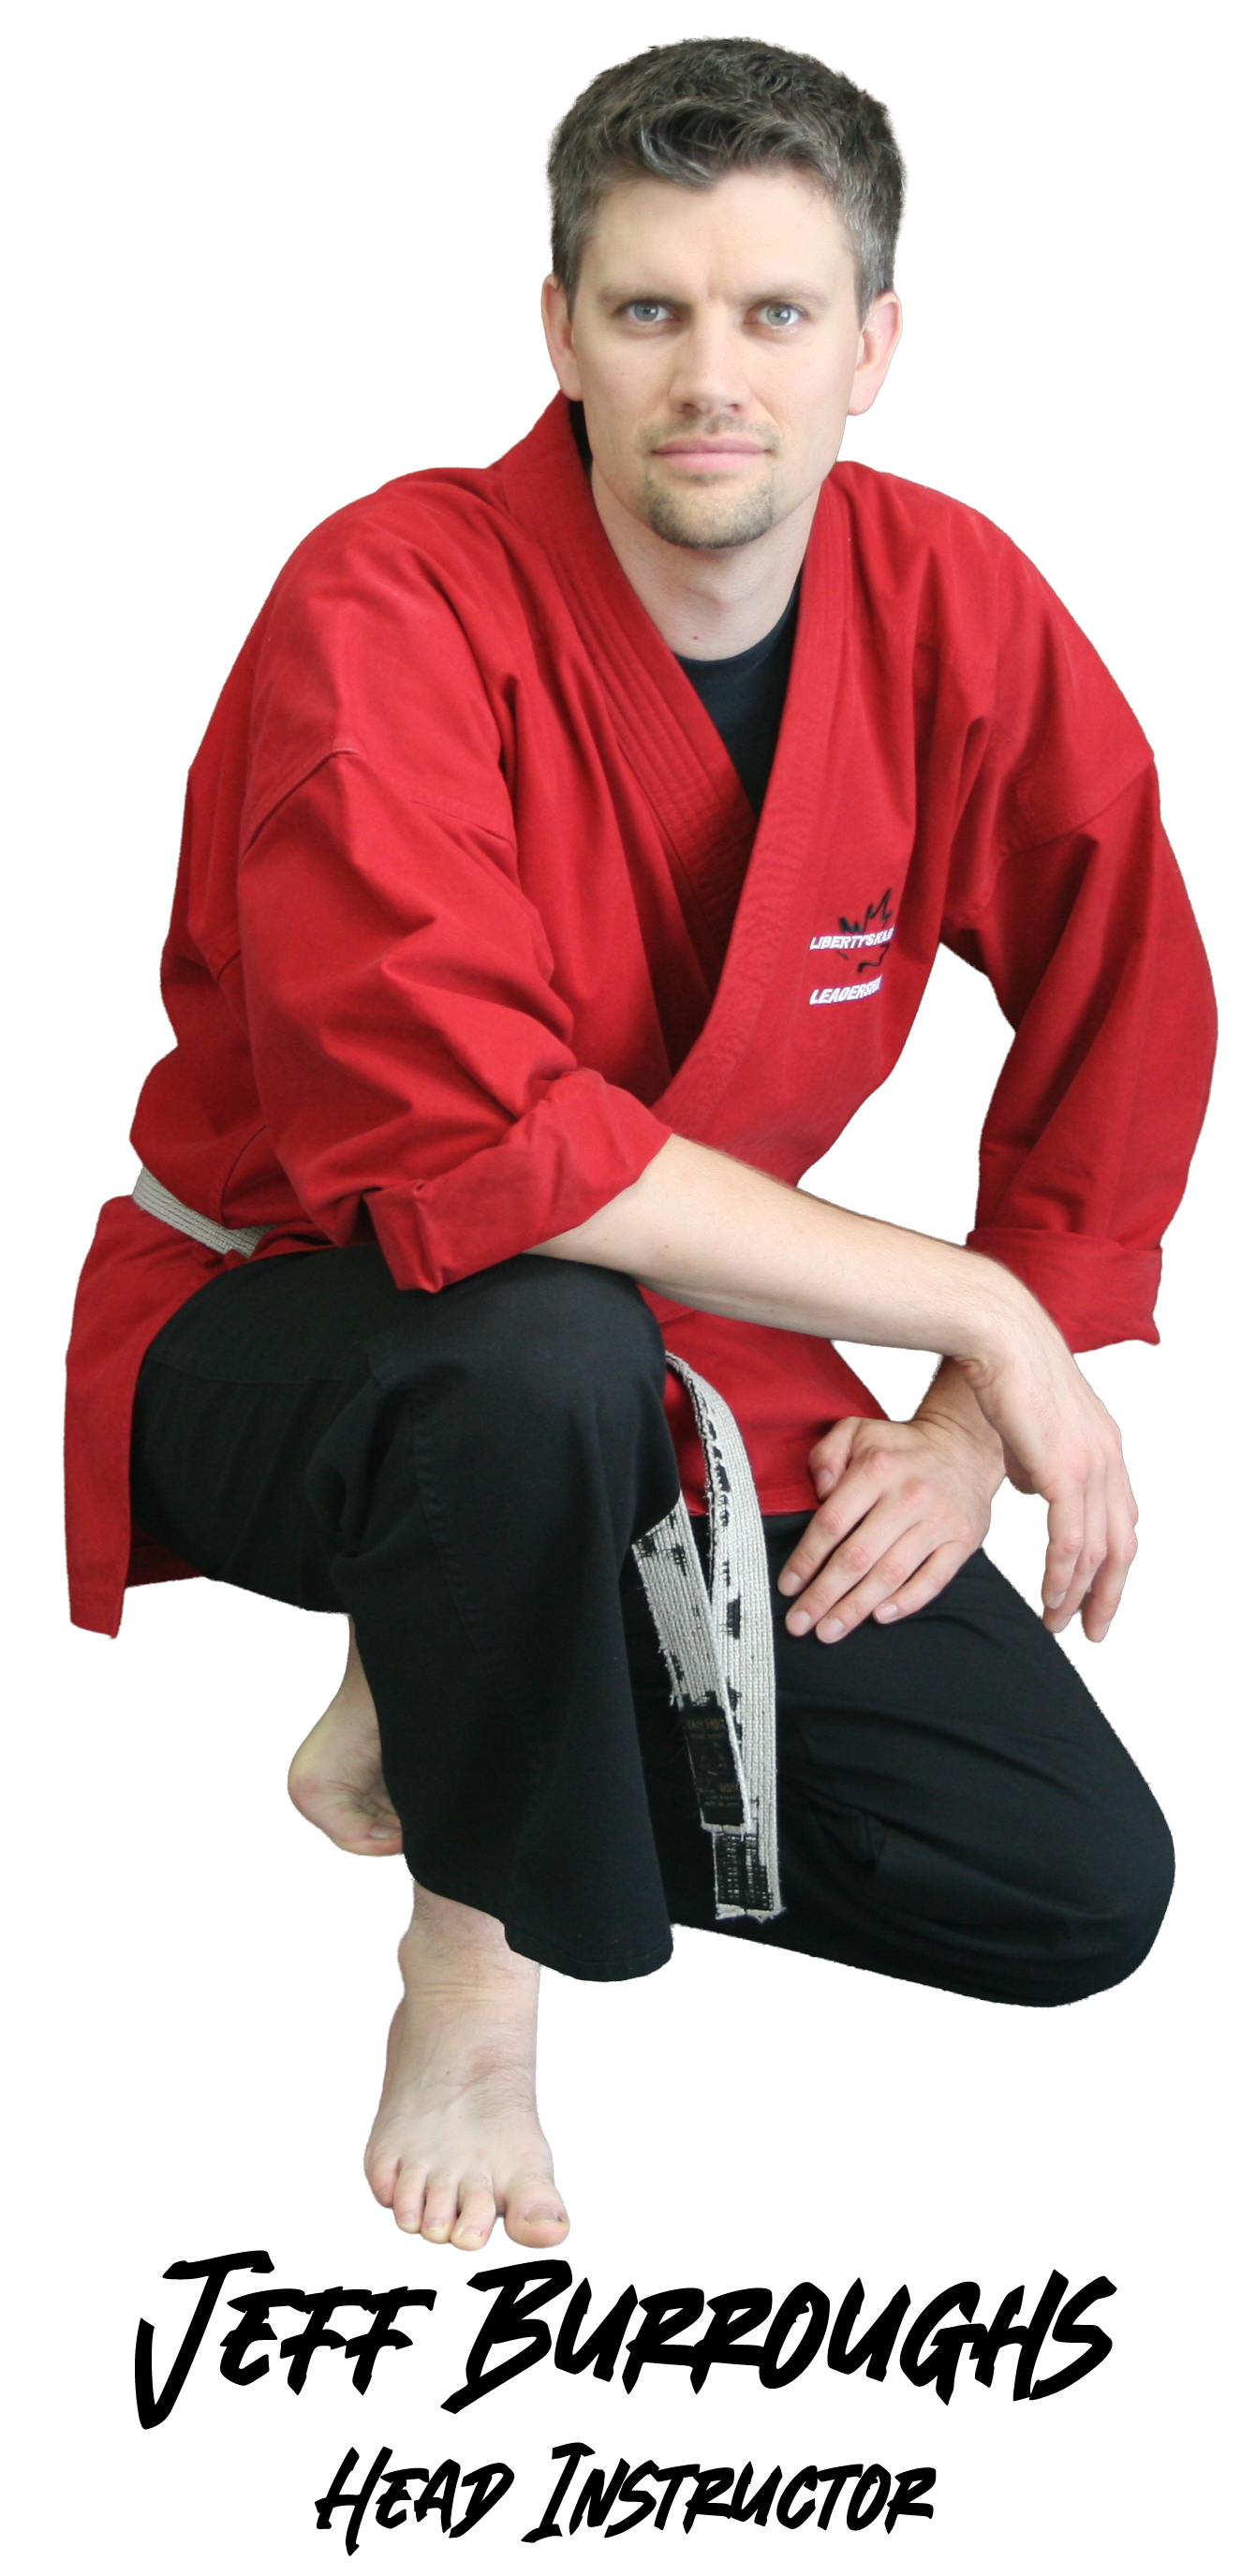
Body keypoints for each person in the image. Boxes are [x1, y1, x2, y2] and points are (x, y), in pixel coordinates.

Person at [65, 37, 1216, 2255]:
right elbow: (470, 1146)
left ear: (871, 347)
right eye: (649, 309)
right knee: (529, 1350)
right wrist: (971, 1301)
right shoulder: (383, 600)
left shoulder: (952, 603)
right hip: (299, 1324)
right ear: (559, 330)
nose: (714, 375)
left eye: (776, 312)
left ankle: (460, 1673)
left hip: (687, 1348)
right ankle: (470, 1968)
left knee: (1064, 1883)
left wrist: (984, 1415)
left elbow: (1129, 985)